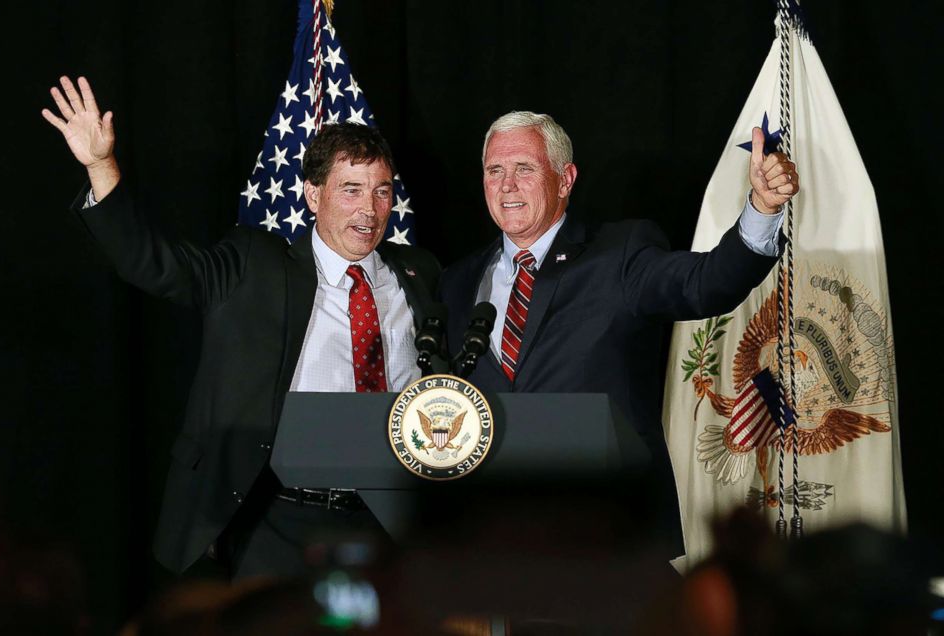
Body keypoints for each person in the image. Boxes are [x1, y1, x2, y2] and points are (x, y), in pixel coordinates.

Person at [42, 76, 440, 577]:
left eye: (382, 191)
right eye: (352, 189)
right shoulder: (257, 265)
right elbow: (158, 265)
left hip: (389, 520)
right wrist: (101, 165)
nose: (369, 209)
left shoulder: (418, 272)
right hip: (279, 522)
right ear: (314, 196)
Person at [438, 111, 799, 554]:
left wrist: (762, 209)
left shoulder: (619, 254)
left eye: (524, 169)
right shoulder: (456, 282)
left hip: (609, 534)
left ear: (565, 179)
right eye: (495, 171)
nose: (507, 184)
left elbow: (707, 284)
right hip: (494, 540)